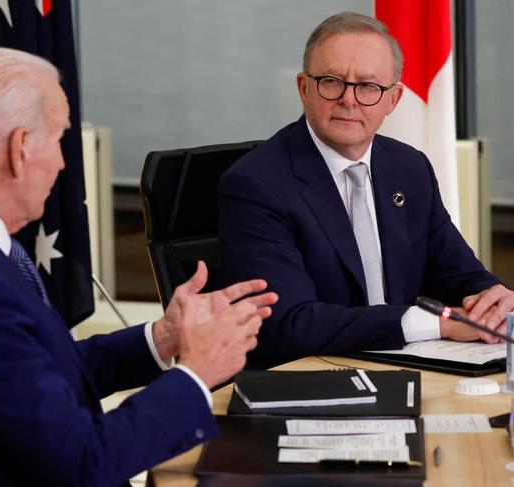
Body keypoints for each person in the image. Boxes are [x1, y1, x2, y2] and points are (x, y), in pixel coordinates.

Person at [0, 47, 277, 487]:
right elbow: (84, 463)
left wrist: (163, 337)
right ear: (20, 148)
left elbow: (40, 374)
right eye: (59, 139)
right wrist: (197, 372)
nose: (64, 163)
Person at [218, 11, 514, 370]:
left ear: (393, 99)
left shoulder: (409, 168)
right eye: (331, 81)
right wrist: (437, 324)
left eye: (369, 86)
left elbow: (459, 274)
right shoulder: (256, 184)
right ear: (303, 87)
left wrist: (494, 300)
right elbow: (288, 323)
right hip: (310, 380)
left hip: (409, 368)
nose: (349, 99)